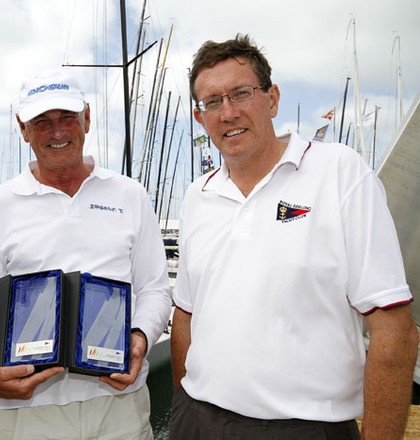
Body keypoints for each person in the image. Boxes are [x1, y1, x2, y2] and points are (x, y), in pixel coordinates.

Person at [170, 34, 418, 439]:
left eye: (241, 93)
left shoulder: (339, 172)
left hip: (304, 428)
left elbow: (394, 328)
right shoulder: (198, 195)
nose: (227, 112)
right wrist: (183, 407)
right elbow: (186, 315)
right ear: (200, 118)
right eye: (211, 102)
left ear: (272, 99)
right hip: (198, 421)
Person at [0, 68, 172, 440]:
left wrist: (141, 335)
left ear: (87, 119)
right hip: (27, 415)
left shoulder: (130, 194)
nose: (57, 131)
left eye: (67, 117)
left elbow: (155, 289)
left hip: (119, 408)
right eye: (42, 121)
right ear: (23, 129)